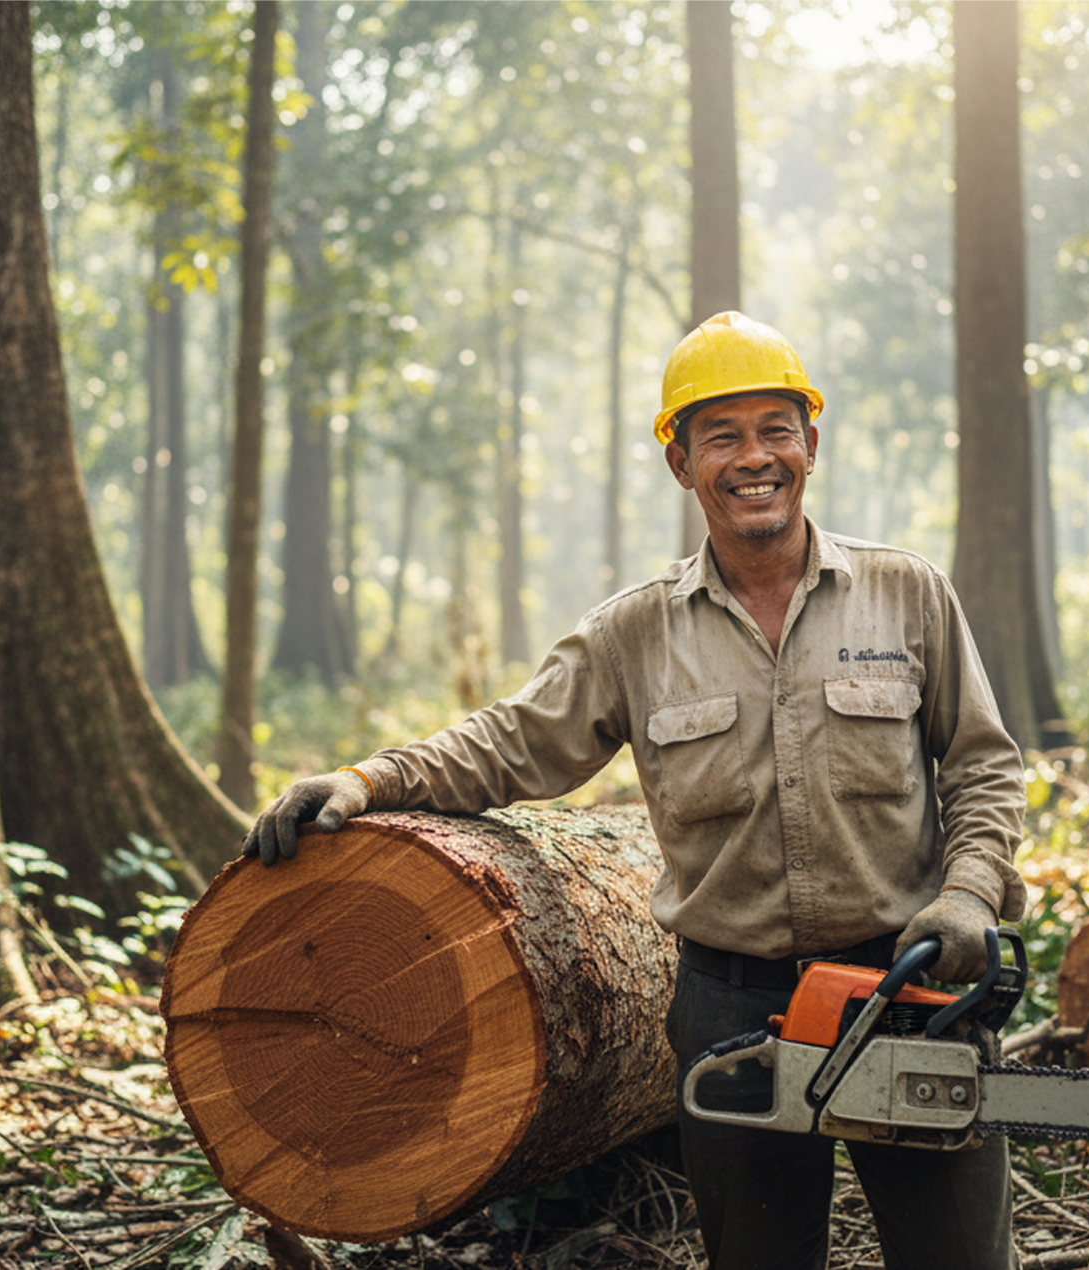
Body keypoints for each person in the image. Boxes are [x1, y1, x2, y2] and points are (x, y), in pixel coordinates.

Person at [244, 311, 1029, 1270]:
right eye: (722, 436)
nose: (755, 458)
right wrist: (369, 779)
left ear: (811, 445)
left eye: (775, 429)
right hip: (736, 1008)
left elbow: (984, 762)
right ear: (681, 463)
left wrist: (969, 894)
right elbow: (513, 741)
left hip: (905, 987)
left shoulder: (907, 594)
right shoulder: (636, 634)